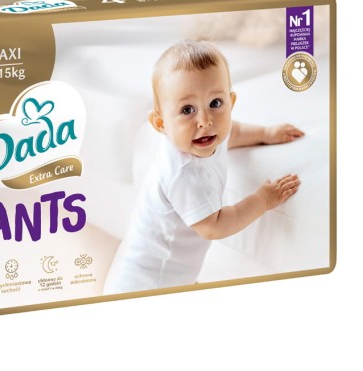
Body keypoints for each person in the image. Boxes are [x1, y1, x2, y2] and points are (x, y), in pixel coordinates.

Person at [103, 40, 304, 294]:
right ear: (161, 124)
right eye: (187, 110)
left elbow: (235, 132)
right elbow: (213, 226)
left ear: (230, 102)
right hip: (147, 285)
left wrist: (266, 133)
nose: (205, 120)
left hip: (165, 275)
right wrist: (263, 200)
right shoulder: (183, 173)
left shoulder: (206, 133)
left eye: (216, 103)